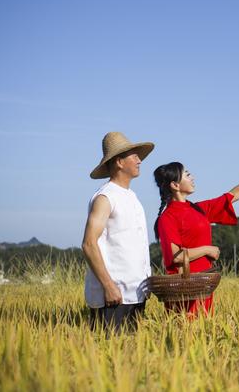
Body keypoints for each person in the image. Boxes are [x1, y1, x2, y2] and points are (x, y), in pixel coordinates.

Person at [153, 161, 239, 317]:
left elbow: (234, 196)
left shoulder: (198, 209)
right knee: (185, 333)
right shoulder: (168, 218)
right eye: (187, 174)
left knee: (205, 333)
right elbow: (176, 256)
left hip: (204, 283)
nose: (192, 177)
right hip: (185, 289)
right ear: (175, 185)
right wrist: (207, 249)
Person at [81, 132, 154, 331]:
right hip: (114, 296)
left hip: (136, 293)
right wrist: (108, 286)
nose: (139, 160)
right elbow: (88, 244)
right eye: (134, 156)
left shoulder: (132, 197)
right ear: (120, 162)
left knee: (131, 356)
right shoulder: (105, 197)